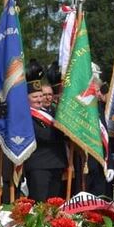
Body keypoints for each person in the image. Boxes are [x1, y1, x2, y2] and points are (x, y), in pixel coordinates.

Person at [24, 61, 67, 200]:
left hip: (57, 163)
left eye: (40, 96)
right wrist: (62, 133)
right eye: (35, 97)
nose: (39, 100)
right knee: (39, 203)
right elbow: (41, 135)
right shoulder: (26, 115)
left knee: (54, 205)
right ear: (27, 99)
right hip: (38, 165)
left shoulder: (53, 112)